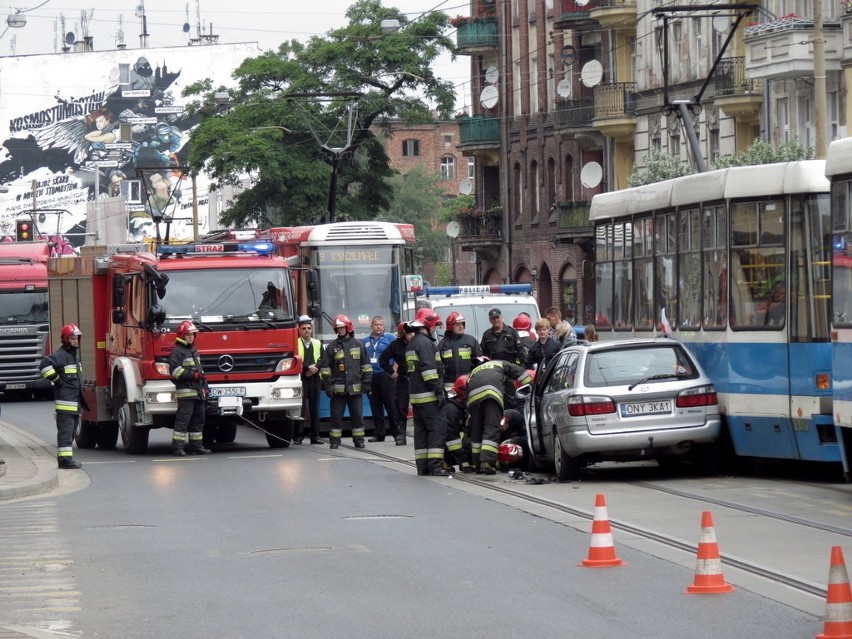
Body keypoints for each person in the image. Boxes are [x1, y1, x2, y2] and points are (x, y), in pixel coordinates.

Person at [465, 358, 533, 474]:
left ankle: (477, 463)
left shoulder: (474, 371)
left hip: (473, 398)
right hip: (491, 394)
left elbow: (467, 385)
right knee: (491, 426)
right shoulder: (501, 363)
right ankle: (487, 462)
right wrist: (531, 386)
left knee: (477, 429)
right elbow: (521, 374)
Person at [405, 308, 449, 476]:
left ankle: (422, 467)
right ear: (428, 324)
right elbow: (429, 372)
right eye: (435, 325)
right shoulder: (426, 343)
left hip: (416, 397)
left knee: (421, 432)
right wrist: (439, 391)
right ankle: (435, 466)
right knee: (437, 429)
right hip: (429, 396)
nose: (435, 329)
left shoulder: (412, 343)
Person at [40, 323, 89, 469]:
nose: (75, 341)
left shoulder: (73, 356)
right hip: (66, 403)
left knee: (71, 433)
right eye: (72, 338)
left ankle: (67, 459)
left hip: (74, 403)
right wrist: (56, 379)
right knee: (66, 433)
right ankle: (65, 461)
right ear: (66, 339)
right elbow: (44, 365)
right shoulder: (61, 356)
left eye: (77, 338)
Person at [320, 314, 372, 450]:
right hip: (338, 391)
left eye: (342, 327)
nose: (340, 330)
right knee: (336, 417)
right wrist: (328, 387)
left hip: (355, 390)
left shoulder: (359, 345)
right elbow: (325, 369)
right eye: (338, 328)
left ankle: (359, 441)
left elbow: (366, 366)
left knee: (357, 417)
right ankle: (335, 441)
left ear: (348, 327)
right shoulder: (332, 347)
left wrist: (366, 383)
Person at [168, 321, 212, 456]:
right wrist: (192, 375)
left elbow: (200, 371)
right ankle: (177, 448)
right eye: (188, 334)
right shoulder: (177, 351)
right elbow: (175, 371)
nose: (191, 337)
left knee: (199, 420)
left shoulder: (193, 350)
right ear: (182, 335)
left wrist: (205, 387)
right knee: (183, 421)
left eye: (192, 334)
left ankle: (196, 446)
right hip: (186, 394)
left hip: (198, 393)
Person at [480, 307, 527, 408]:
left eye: (497, 317)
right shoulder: (487, 335)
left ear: (501, 317)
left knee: (511, 399)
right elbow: (482, 355)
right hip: (494, 372)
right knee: (495, 397)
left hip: (510, 371)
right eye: (493, 318)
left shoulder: (512, 332)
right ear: (490, 320)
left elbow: (521, 353)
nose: (496, 320)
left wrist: (518, 369)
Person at [363, 316, 400, 442]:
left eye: (381, 324)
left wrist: (395, 370)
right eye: (376, 324)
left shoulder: (390, 338)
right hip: (371, 377)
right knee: (375, 406)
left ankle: (397, 433)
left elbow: (398, 355)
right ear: (371, 326)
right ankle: (379, 434)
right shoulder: (365, 341)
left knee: (391, 405)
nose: (379, 327)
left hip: (385, 375)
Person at [379, 322, 412, 445]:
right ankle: (400, 435)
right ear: (402, 334)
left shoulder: (418, 343)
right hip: (403, 380)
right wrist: (392, 372)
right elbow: (382, 360)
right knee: (400, 408)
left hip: (417, 380)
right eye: (408, 333)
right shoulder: (395, 346)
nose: (411, 335)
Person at [294, 315, 324, 445]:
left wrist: (315, 368)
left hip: (315, 379)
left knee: (314, 409)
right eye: (304, 328)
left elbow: (324, 359)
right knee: (299, 409)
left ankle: (315, 436)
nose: (307, 330)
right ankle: (298, 437)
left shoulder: (317, 343)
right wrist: (307, 368)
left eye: (309, 328)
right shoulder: (295, 343)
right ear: (299, 330)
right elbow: (294, 358)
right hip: (301, 379)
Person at [437, 311, 482, 393]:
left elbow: (479, 363)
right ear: (450, 326)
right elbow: (438, 367)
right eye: (457, 324)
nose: (461, 326)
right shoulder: (443, 344)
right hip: (449, 388)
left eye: (462, 324)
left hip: (468, 385)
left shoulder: (471, 341)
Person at [443, 374, 473, 473]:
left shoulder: (460, 406)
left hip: (451, 444)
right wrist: (464, 462)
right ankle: (443, 462)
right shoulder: (452, 410)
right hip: (445, 445)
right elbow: (451, 439)